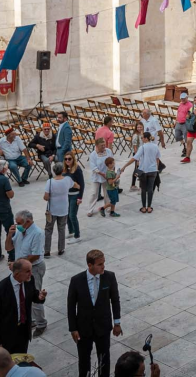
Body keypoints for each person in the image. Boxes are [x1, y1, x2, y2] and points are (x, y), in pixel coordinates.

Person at [67, 249, 122, 377]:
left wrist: (117, 322)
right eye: (100, 264)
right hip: (83, 328)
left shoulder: (109, 277)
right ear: (90, 265)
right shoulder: (76, 280)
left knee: (104, 359)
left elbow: (115, 300)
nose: (103, 266)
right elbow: (70, 306)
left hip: (103, 326)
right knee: (84, 360)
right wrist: (73, 328)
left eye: (103, 263)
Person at [0, 258, 47, 356]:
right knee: (6, 364)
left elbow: (33, 295)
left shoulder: (29, 281)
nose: (30, 274)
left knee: (21, 360)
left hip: (23, 331)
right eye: (27, 271)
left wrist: (40, 297)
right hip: (7, 335)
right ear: (17, 274)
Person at [123, 132, 161, 214]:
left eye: (142, 138)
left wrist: (125, 166)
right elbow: (157, 158)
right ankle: (149, 207)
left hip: (144, 170)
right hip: (153, 170)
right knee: (150, 189)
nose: (141, 139)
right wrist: (156, 168)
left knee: (143, 189)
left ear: (146, 138)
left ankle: (144, 207)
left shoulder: (143, 147)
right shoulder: (155, 146)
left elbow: (135, 158)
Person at [44, 162, 74, 256]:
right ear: (63, 170)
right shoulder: (67, 180)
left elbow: (46, 197)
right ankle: (61, 249)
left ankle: (47, 251)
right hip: (63, 209)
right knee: (61, 229)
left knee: (48, 230)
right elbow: (74, 185)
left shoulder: (50, 182)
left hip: (52, 210)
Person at [62, 151, 85, 243]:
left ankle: (77, 235)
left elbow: (82, 184)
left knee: (72, 215)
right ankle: (71, 231)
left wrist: (80, 198)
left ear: (73, 159)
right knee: (67, 214)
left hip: (75, 195)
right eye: (66, 159)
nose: (67, 160)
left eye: (69, 159)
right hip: (67, 195)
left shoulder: (77, 169)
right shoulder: (65, 169)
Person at [87, 137, 112, 214]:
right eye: (102, 145)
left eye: (104, 145)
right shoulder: (93, 154)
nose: (104, 147)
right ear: (97, 146)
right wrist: (101, 174)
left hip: (107, 175)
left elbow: (112, 161)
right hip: (97, 176)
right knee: (94, 193)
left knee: (107, 192)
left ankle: (108, 207)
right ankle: (90, 210)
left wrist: (110, 173)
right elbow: (93, 167)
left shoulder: (108, 151)